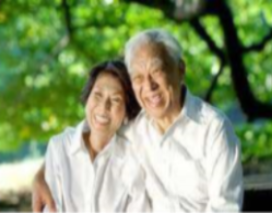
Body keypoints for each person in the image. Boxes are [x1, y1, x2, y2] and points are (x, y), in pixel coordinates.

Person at [33, 29, 243, 213]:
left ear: (180, 70)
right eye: (138, 78)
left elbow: (225, 207)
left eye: (156, 72)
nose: (149, 86)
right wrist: (43, 171)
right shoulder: (136, 128)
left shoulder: (213, 128)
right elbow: (95, 128)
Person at [38, 60, 150, 213]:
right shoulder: (59, 147)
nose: (104, 107)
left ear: (126, 111)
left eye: (116, 99)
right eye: (97, 95)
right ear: (87, 98)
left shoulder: (132, 159)